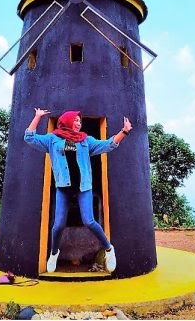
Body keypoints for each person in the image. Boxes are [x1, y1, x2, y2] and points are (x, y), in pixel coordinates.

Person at [24, 108, 132, 273]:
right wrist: (37, 117)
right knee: (58, 225)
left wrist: (124, 131)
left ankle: (109, 249)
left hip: (83, 187)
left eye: (79, 121)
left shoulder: (85, 141)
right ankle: (54, 253)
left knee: (89, 221)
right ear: (67, 121)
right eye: (75, 120)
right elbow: (29, 138)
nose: (78, 123)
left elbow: (108, 144)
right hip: (63, 188)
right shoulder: (52, 139)